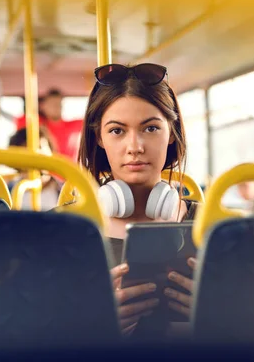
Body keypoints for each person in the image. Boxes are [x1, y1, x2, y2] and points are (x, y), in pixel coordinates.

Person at [75, 63, 198, 339]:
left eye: (151, 128)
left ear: (171, 133)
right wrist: (94, 328)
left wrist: (218, 317)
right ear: (100, 138)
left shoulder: (214, 226)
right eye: (117, 131)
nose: (135, 147)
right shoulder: (62, 228)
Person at [15, 89, 83, 162]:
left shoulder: (72, 125)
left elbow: (92, 119)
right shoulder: (37, 123)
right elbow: (21, 122)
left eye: (58, 104)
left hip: (69, 171)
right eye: (52, 104)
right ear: (43, 106)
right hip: (45, 170)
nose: (56, 107)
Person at [7, 125, 62, 211]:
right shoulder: (8, 193)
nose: (36, 157)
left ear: (51, 152)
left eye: (40, 147)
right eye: (26, 154)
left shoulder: (65, 192)